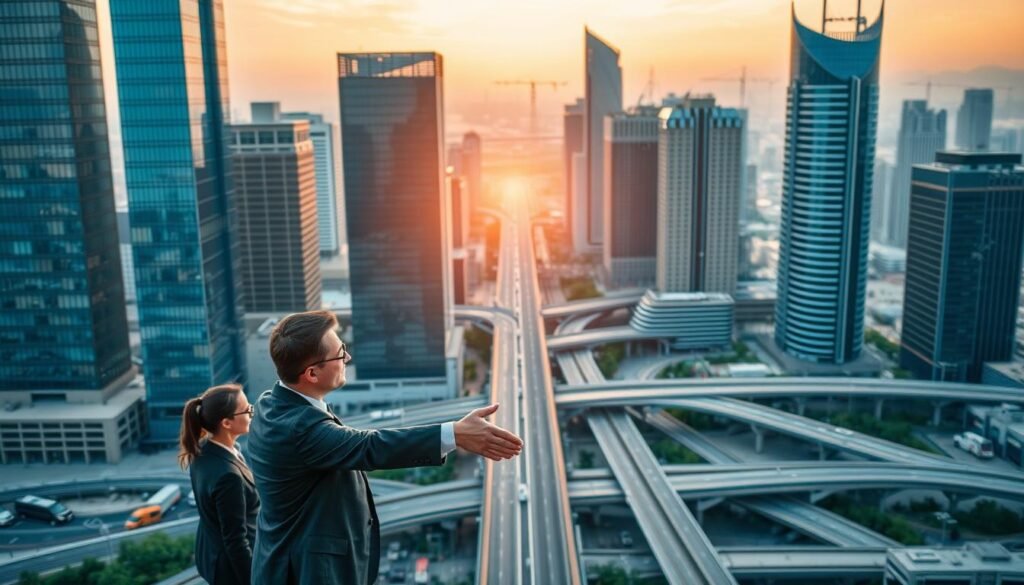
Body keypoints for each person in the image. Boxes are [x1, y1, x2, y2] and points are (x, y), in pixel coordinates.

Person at [247, 310, 523, 584]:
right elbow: (369, 447)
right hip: (308, 572)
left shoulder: (271, 402)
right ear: (312, 374)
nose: (348, 358)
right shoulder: (299, 428)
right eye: (340, 353)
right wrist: (455, 435)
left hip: (286, 559)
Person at [179, 384, 260, 585]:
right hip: (231, 570)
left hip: (209, 554)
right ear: (226, 423)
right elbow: (236, 541)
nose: (252, 410)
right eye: (246, 408)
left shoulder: (202, 452)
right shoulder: (228, 476)